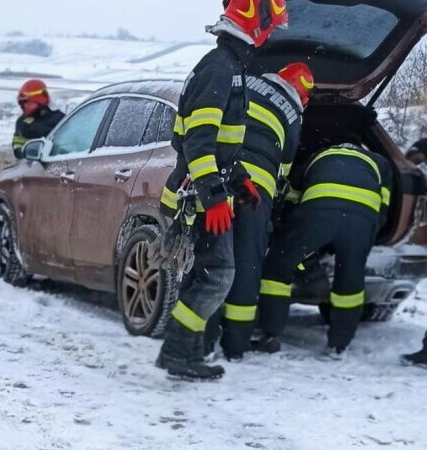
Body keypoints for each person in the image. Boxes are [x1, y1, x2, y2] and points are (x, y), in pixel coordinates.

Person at [155, 0, 289, 380]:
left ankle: (183, 353)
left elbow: (223, 144)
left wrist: (241, 178)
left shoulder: (229, 68)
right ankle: (180, 353)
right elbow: (198, 142)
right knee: (217, 276)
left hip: (201, 194)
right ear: (255, 25)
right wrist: (214, 198)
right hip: (196, 199)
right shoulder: (219, 70)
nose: (270, 35)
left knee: (205, 277)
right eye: (270, 27)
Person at [207, 62, 314, 361]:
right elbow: (286, 165)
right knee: (246, 264)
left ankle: (202, 340)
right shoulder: (292, 112)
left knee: (210, 259)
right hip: (255, 194)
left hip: (221, 176)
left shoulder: (248, 82)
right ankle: (236, 346)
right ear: (301, 96)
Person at [255, 136, 393, 359]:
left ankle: (271, 336)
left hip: (318, 214)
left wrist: (290, 230)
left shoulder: (318, 156)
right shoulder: (380, 162)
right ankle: (339, 346)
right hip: (361, 221)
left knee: (278, 267)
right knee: (350, 279)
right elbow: (385, 207)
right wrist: (367, 235)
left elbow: (291, 195)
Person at [12, 79, 65, 158]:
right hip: (31, 166)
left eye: (25, 102)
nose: (23, 106)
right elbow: (17, 145)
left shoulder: (59, 119)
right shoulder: (22, 122)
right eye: (21, 103)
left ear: (38, 100)